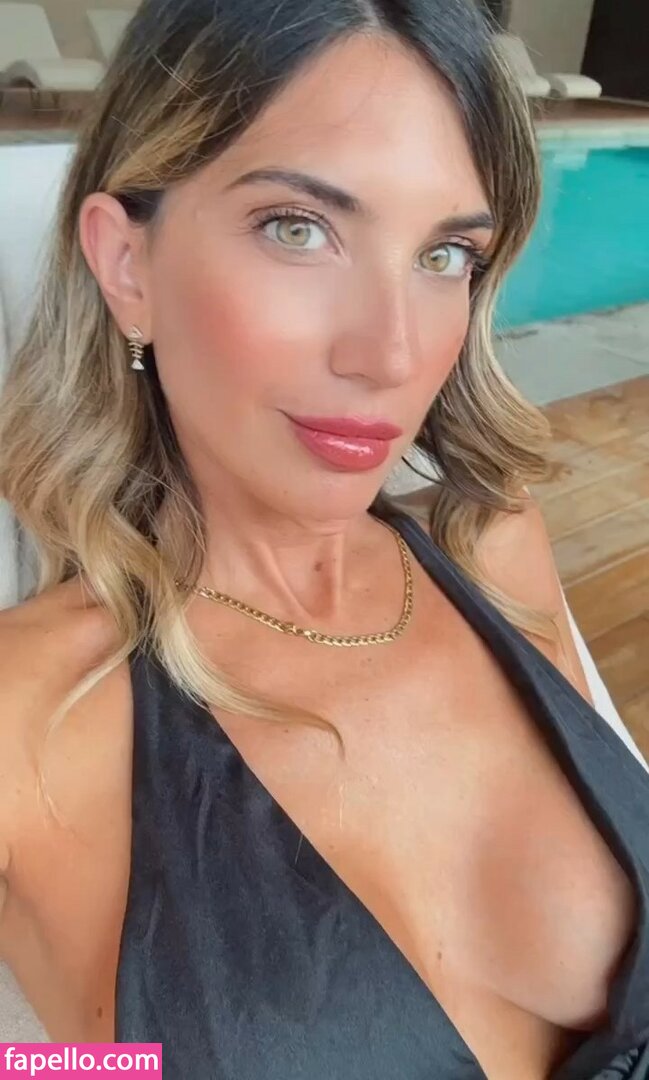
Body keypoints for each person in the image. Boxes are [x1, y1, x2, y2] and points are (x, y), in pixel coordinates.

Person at [0, 0, 647, 1076]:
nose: (390, 353)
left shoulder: (491, 549)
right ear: (127, 266)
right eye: (299, 228)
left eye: (444, 254)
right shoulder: (29, 709)